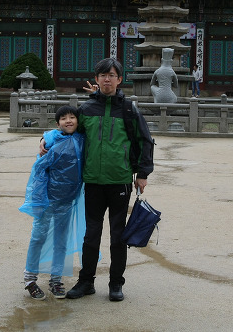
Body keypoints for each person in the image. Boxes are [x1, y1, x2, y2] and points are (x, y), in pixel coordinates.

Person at [43, 58, 154, 302]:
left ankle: (116, 283)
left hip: (120, 180)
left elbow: (145, 140)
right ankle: (86, 282)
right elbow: (68, 131)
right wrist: (46, 140)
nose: (107, 79)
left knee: (118, 236)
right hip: (93, 181)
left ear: (119, 79)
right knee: (91, 235)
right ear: (96, 79)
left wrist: (142, 173)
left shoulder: (128, 109)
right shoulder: (86, 109)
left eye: (112, 75)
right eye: (103, 75)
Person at [20, 105, 86, 300]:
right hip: (48, 199)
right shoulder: (51, 142)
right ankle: (30, 279)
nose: (68, 121)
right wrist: (38, 198)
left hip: (67, 200)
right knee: (38, 236)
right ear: (57, 124)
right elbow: (39, 170)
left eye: (72, 117)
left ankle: (56, 279)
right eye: (63, 118)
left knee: (61, 241)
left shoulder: (82, 139)